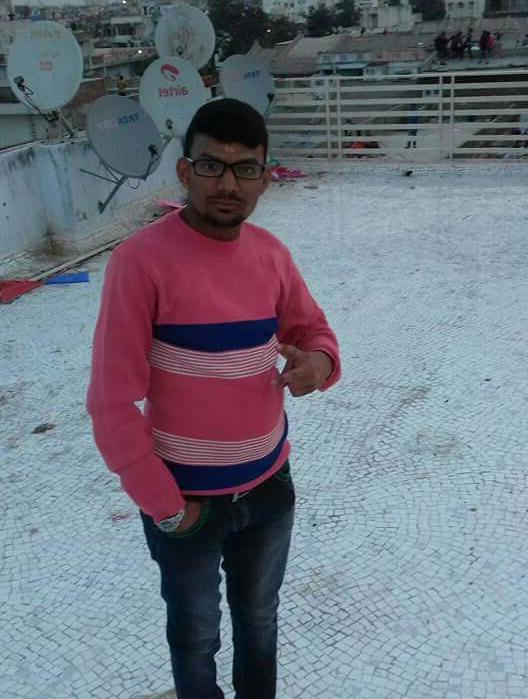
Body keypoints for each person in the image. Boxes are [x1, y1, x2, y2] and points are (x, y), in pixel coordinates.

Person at [87, 98, 341, 699]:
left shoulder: (271, 255)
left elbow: (313, 332)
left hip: (269, 489)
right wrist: (167, 508)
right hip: (187, 500)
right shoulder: (140, 263)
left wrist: (319, 364)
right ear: (185, 171)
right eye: (211, 165)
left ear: (264, 176)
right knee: (196, 637)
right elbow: (110, 402)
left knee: (260, 621)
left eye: (245, 168)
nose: (228, 184)